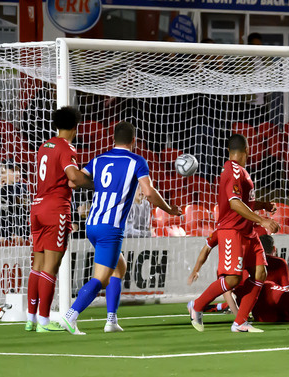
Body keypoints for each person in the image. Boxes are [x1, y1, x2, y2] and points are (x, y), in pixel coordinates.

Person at [59, 121, 182, 335]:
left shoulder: (99, 159)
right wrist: (169, 209)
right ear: (134, 141)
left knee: (119, 268)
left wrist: (101, 186)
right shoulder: (136, 161)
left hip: (92, 224)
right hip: (111, 227)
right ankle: (71, 315)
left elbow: (73, 182)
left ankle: (111, 320)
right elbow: (149, 193)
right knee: (101, 278)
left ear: (113, 139)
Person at [187, 134, 280, 333]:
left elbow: (244, 202)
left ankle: (240, 322)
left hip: (247, 231)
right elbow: (235, 203)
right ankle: (196, 305)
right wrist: (262, 220)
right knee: (233, 279)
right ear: (246, 148)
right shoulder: (233, 169)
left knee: (260, 272)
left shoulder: (241, 171)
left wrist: (264, 206)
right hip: (232, 231)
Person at [25, 107, 95, 333]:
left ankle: (31, 319)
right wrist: (100, 186)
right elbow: (73, 177)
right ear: (76, 126)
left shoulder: (45, 145)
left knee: (37, 265)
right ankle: (44, 322)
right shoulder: (67, 147)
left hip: (37, 207)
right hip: (56, 208)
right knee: (51, 267)